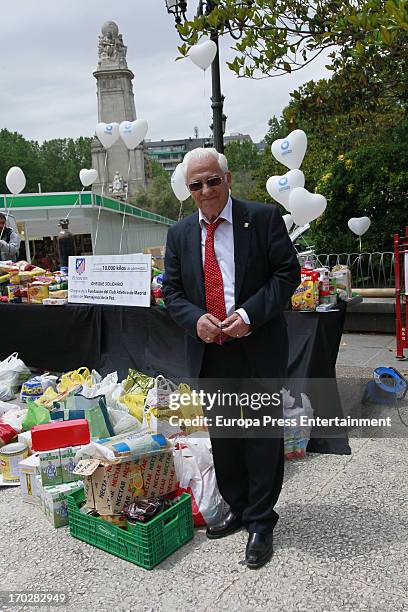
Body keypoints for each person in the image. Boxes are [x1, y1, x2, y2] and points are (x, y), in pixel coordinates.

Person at [163, 148, 300, 569]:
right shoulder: (180, 233)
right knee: (225, 439)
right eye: (196, 184)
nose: (205, 190)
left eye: (212, 180)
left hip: (256, 345)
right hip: (211, 350)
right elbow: (171, 291)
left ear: (228, 179)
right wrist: (195, 321)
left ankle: (261, 522)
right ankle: (238, 509)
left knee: (260, 437)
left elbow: (286, 275)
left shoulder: (261, 218)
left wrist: (247, 315)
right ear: (189, 190)